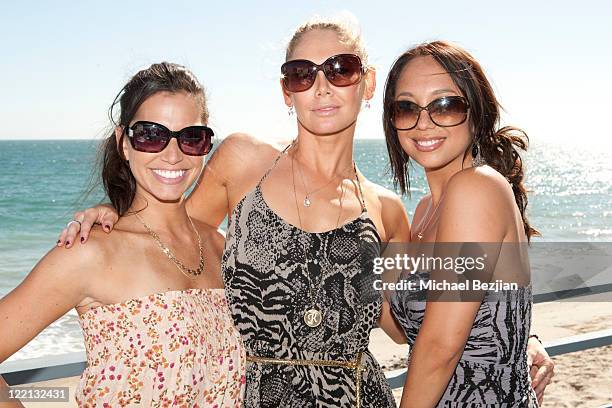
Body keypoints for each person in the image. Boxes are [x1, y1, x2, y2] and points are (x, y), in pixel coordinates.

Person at [57, 19, 554, 407]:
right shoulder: (243, 161)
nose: (321, 87)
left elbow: (424, 328)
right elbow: (174, 237)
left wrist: (520, 337)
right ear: (285, 90)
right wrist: (114, 214)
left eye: (340, 69)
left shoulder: (388, 210)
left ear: (366, 84)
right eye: (301, 74)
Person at [0, 62, 245, 407]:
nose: (172, 155)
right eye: (151, 135)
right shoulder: (89, 252)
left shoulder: (220, 246)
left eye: (191, 137)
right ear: (123, 143)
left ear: (206, 145)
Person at [383, 41, 546, 407]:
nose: (424, 122)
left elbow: (440, 347)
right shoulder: (425, 210)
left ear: (477, 113)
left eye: (445, 105)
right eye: (406, 108)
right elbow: (404, 330)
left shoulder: (476, 188)